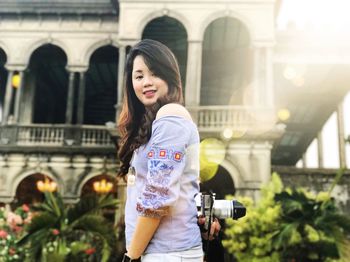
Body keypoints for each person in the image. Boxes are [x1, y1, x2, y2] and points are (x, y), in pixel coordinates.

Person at [117, 39, 203, 261]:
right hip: (160, 252)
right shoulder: (152, 126)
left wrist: (131, 256)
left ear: (170, 76)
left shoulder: (171, 115)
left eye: (154, 73)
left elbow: (158, 194)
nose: (146, 82)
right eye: (139, 76)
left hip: (168, 253)